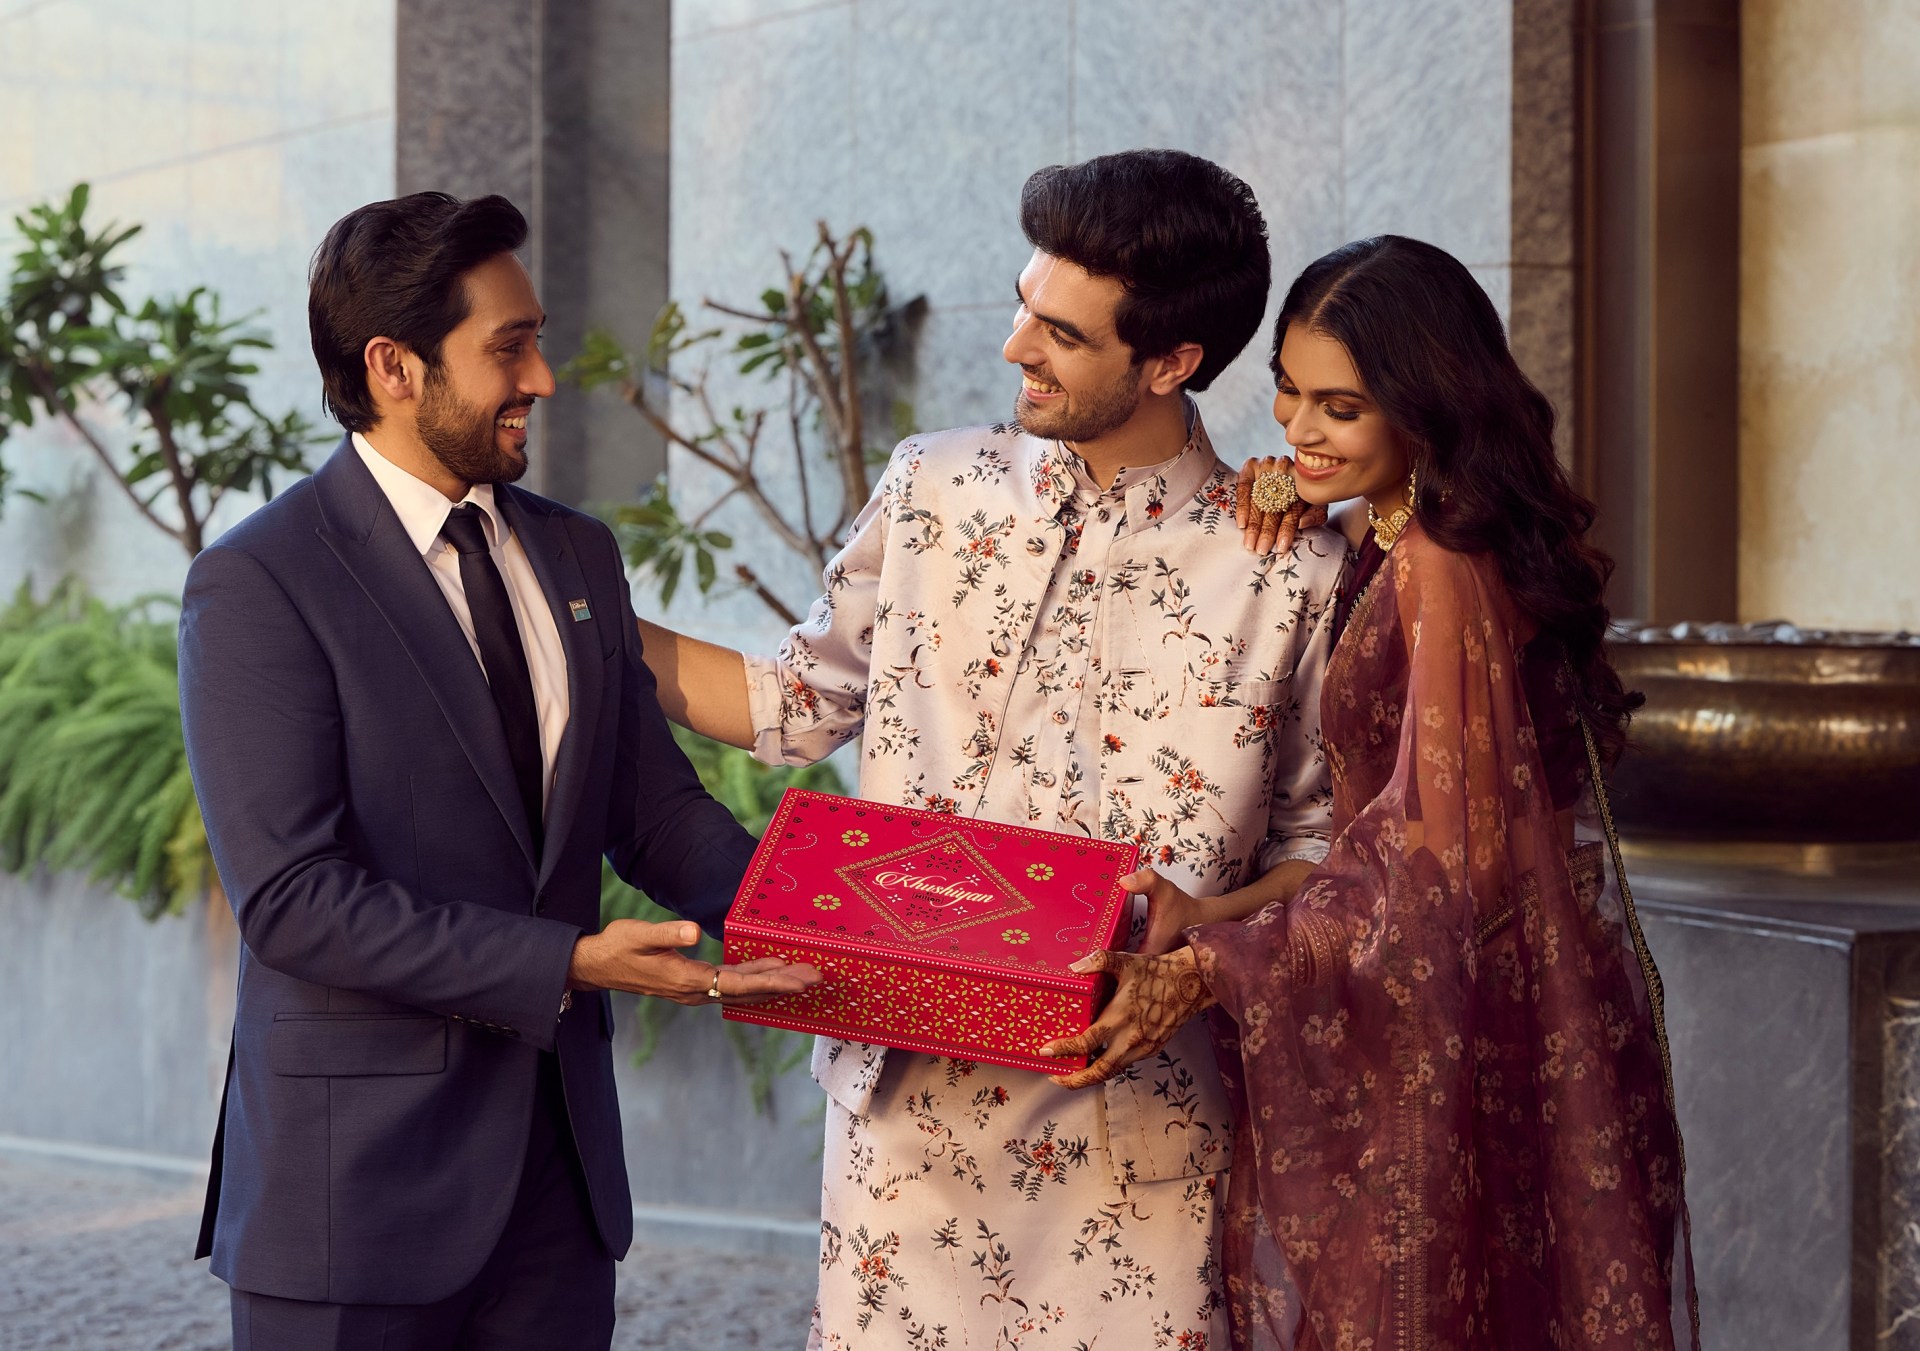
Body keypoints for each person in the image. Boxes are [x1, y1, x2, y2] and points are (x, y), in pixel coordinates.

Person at [638, 148, 1345, 1349]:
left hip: (1135, 1137)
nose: (1017, 345)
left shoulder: (1290, 570)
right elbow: (794, 701)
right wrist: (563, 608)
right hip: (903, 1117)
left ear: (1172, 363)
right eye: (1024, 305)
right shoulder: (933, 490)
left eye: (1061, 333)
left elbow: (1327, 856)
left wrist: (1201, 941)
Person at [179, 191, 818, 1351]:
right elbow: (292, 899)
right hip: (354, 1203)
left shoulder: (578, 551)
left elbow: (653, 809)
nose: (544, 378)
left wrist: (836, 928)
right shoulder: (259, 583)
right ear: (393, 367)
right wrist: (569, 961)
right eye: (509, 347)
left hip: (556, 1194)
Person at [1044, 235, 1698, 1349]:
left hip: (1442, 1025)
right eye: (1288, 395)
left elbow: (1436, 871)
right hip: (1448, 1006)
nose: (1297, 430)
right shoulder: (1397, 533)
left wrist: (1217, 966)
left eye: (1338, 409)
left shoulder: (1442, 562)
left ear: (1426, 404)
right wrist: (1217, 913)